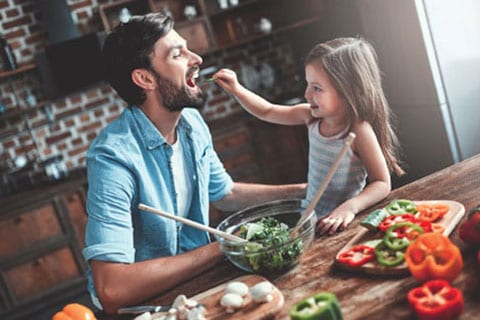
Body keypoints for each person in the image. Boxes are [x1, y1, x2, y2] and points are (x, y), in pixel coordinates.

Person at [83, 13, 306, 314]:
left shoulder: (190, 122)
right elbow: (112, 288)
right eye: (177, 54)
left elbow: (224, 193)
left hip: (199, 288)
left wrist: (306, 190)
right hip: (147, 311)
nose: (197, 58)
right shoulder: (113, 158)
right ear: (145, 78)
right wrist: (225, 245)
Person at [213, 37, 404, 236]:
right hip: (310, 220)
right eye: (308, 85)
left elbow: (381, 183)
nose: (307, 94)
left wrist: (349, 208)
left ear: (349, 91)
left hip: (340, 225)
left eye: (317, 88)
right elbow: (267, 111)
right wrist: (237, 89)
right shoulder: (310, 117)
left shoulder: (358, 130)